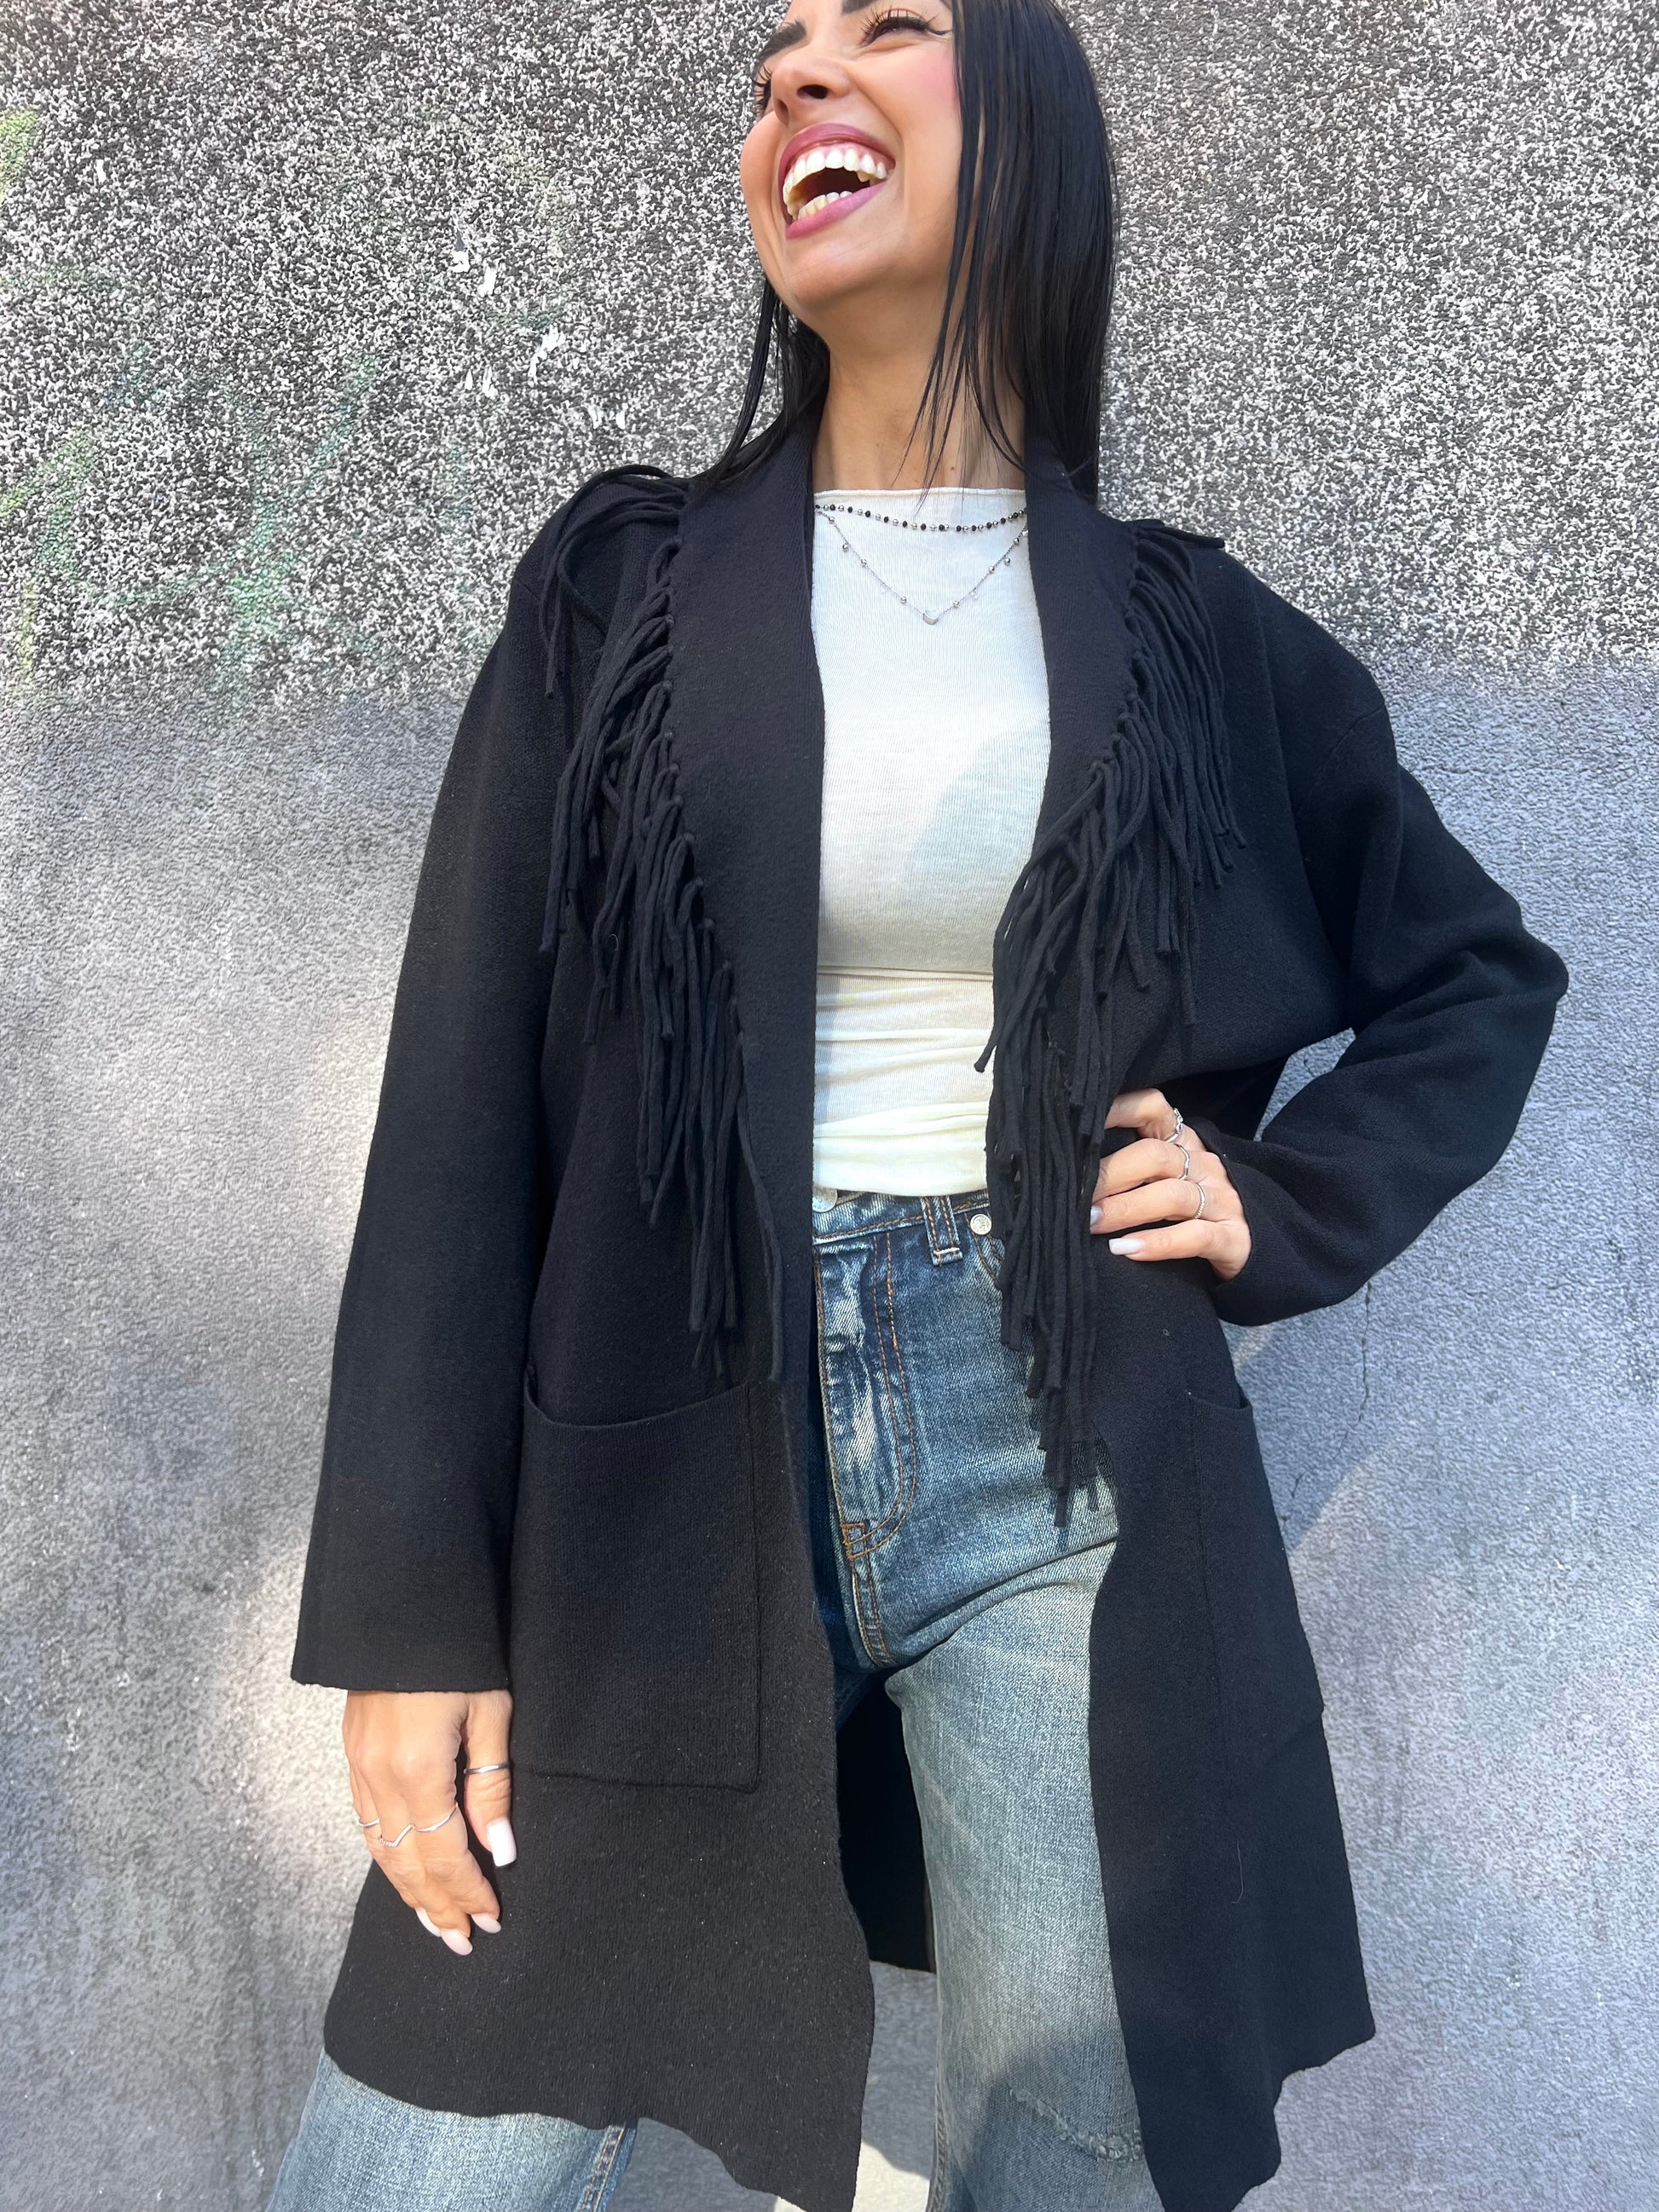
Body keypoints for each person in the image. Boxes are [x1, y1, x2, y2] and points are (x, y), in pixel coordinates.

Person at [270, 3, 1568, 2208]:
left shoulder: (1181, 629)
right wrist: (410, 1610)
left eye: (884, 30)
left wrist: (1276, 1199)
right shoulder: (623, 584)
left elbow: (1475, 974)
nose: (801, 79)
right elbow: (461, 1092)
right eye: (775, 56)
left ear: (1032, 136)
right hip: (655, 1446)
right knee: (430, 2147)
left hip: (1063, 1435)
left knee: (1079, 2142)